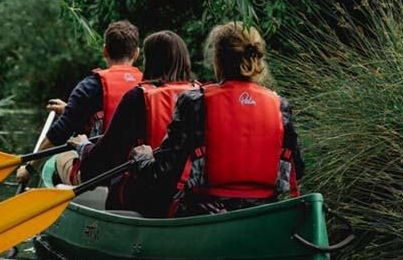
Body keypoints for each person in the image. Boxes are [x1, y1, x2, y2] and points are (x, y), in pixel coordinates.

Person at [126, 21, 303, 217]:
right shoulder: (280, 106)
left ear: (217, 61)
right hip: (263, 213)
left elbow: (164, 175)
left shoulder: (195, 102)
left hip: (206, 214)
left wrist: (142, 158)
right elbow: (297, 169)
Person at [55, 30, 198, 204]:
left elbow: (105, 158)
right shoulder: (200, 95)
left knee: (61, 159)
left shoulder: (138, 97)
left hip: (147, 195)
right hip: (191, 191)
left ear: (149, 61)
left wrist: (83, 146)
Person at [16, 20, 142, 185]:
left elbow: (58, 134)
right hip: (136, 176)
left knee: (58, 158)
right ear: (136, 53)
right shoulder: (149, 87)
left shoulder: (89, 87)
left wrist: (29, 170)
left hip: (97, 178)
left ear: (105, 51)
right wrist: (70, 109)